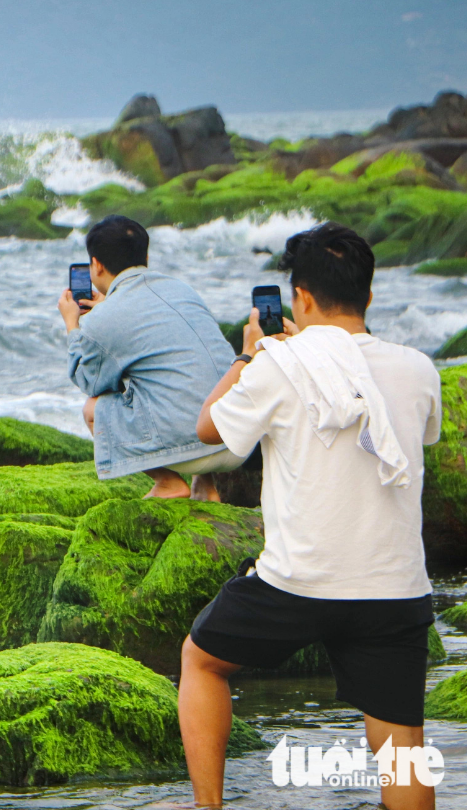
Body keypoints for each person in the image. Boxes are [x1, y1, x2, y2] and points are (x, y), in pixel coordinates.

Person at [180, 223, 441, 810]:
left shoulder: (279, 365)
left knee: (200, 659)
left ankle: (208, 807)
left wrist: (252, 352)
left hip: (297, 585)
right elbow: (416, 432)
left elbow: (207, 429)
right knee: (400, 742)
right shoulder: (420, 369)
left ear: (299, 297)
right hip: (395, 589)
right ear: (368, 297)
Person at [58, 215, 246, 500]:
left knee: (93, 409)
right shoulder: (181, 289)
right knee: (184, 370)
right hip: (238, 438)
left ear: (96, 264)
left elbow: (88, 379)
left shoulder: (105, 317)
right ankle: (205, 486)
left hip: (193, 449)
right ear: (145, 255)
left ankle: (168, 482)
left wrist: (73, 326)